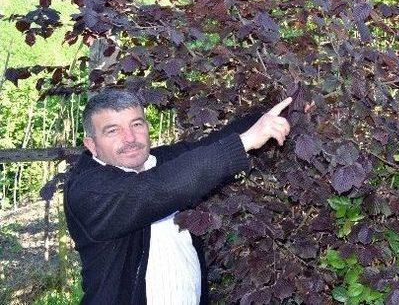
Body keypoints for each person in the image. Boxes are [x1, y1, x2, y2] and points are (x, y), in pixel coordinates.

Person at [64, 88, 297, 304]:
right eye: (112, 130)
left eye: (136, 124)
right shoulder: (88, 190)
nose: (130, 138)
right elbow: (156, 189)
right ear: (91, 145)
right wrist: (243, 143)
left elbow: (212, 143)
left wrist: (279, 116)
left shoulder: (158, 161)